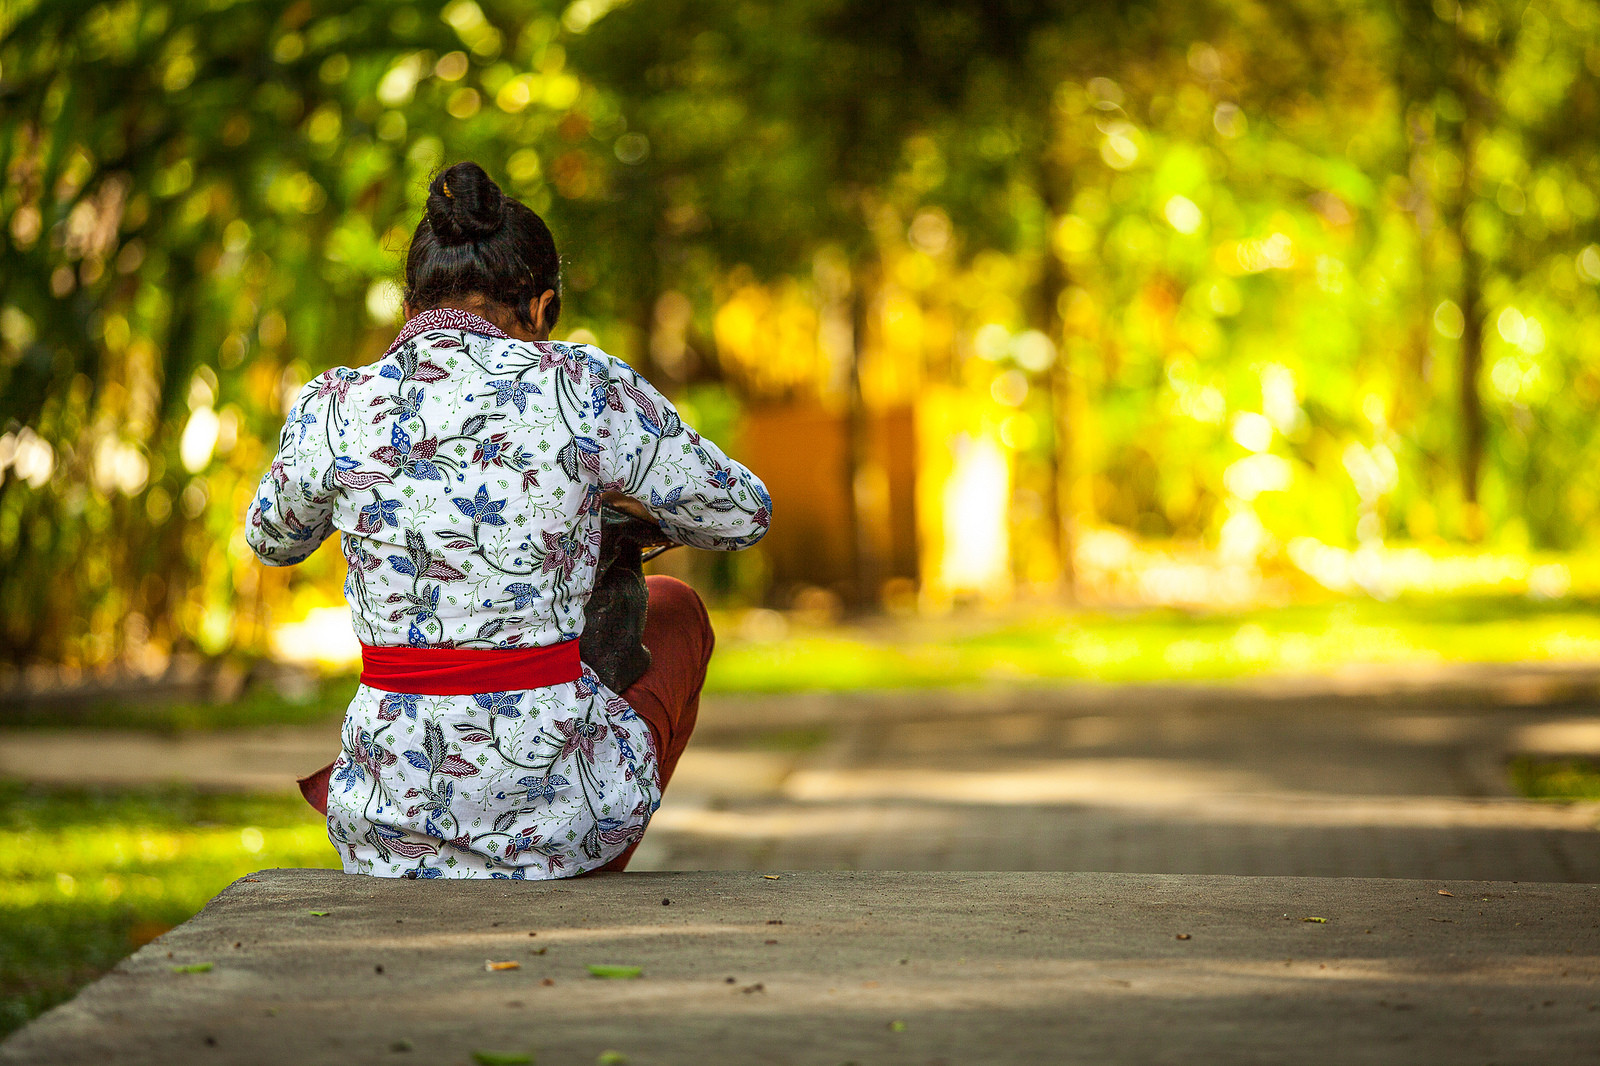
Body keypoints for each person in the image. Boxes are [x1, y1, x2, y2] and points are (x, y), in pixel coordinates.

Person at [244, 161, 770, 879]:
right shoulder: (583, 388)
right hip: (556, 825)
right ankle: (584, 870)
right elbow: (743, 513)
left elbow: (271, 540)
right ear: (542, 308)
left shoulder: (337, 404)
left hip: (385, 824)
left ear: (410, 306)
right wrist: (624, 504)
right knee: (675, 608)